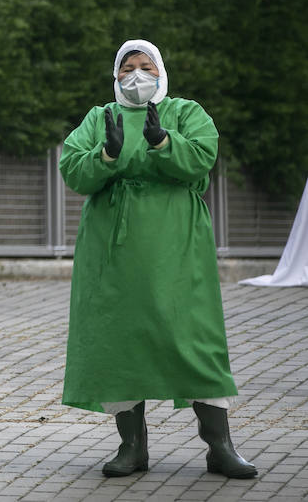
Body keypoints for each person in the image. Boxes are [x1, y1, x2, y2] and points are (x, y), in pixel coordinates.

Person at [60, 39, 257, 480]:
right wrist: (106, 154)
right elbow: (74, 170)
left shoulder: (186, 112)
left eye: (145, 66)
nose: (136, 74)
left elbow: (202, 158)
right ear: (115, 77)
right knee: (120, 339)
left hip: (177, 243)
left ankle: (220, 446)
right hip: (113, 248)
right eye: (126, 67)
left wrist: (164, 141)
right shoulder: (100, 118)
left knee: (192, 335)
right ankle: (132, 447)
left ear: (160, 71)